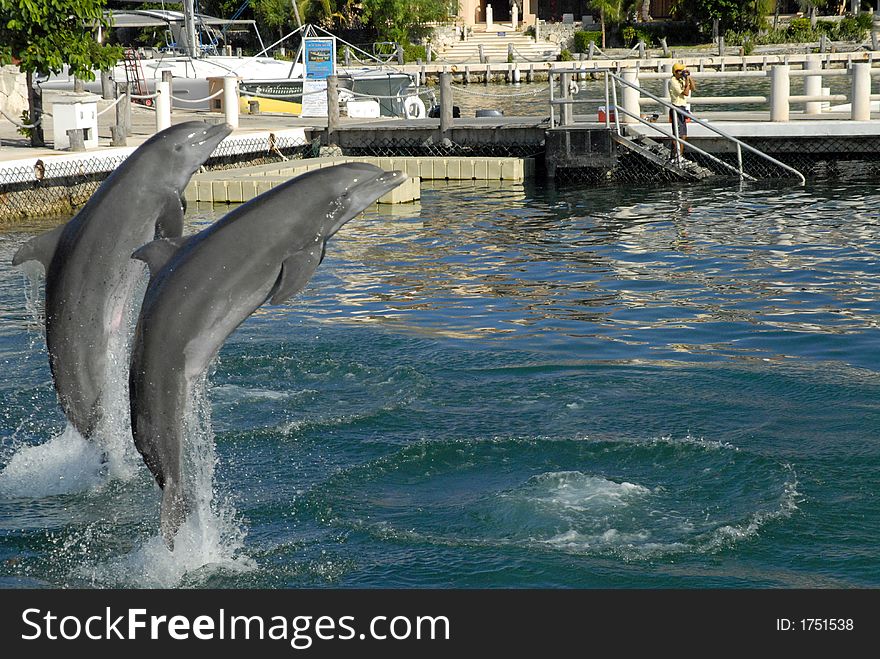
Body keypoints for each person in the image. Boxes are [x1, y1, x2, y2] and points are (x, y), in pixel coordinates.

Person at [668, 62, 696, 159]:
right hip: (676, 108)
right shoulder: (673, 81)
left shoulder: (681, 80)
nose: (681, 73)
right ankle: (675, 155)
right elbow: (686, 92)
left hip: (683, 108)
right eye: (679, 71)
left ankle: (680, 155)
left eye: (682, 70)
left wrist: (689, 77)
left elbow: (693, 88)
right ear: (674, 72)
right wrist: (686, 80)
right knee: (677, 135)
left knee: (683, 135)